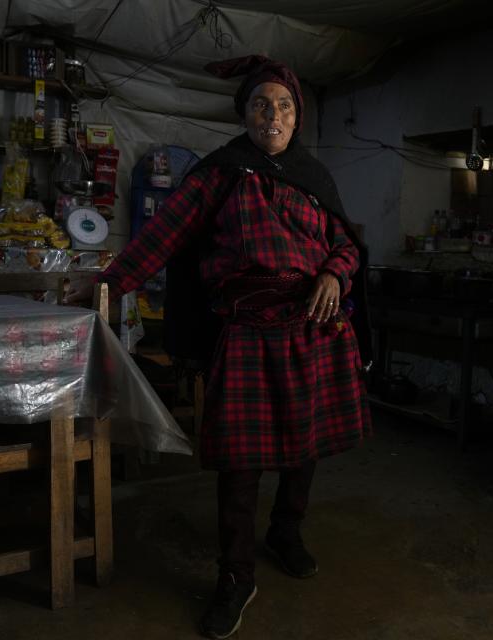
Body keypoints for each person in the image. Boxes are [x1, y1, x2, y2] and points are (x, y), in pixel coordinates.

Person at [67, 55, 372, 639]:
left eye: (283, 106)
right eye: (261, 104)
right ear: (245, 114)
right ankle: (236, 573)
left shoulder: (315, 178)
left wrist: (334, 273)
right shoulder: (220, 174)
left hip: (311, 326)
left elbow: (348, 245)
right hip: (248, 329)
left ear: (296, 116)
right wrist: (107, 283)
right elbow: (162, 235)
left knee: (302, 442)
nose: (273, 116)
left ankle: (286, 529)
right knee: (239, 458)